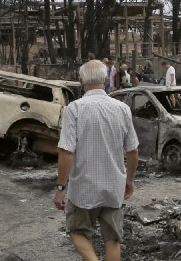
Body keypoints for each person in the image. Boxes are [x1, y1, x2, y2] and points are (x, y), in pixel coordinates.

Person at [54, 60, 140, 261]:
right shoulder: (122, 109)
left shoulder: (74, 109)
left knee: (78, 232)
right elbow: (133, 150)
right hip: (113, 187)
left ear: (81, 80)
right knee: (113, 240)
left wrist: (60, 188)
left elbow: (66, 152)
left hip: (83, 188)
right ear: (105, 79)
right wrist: (129, 181)